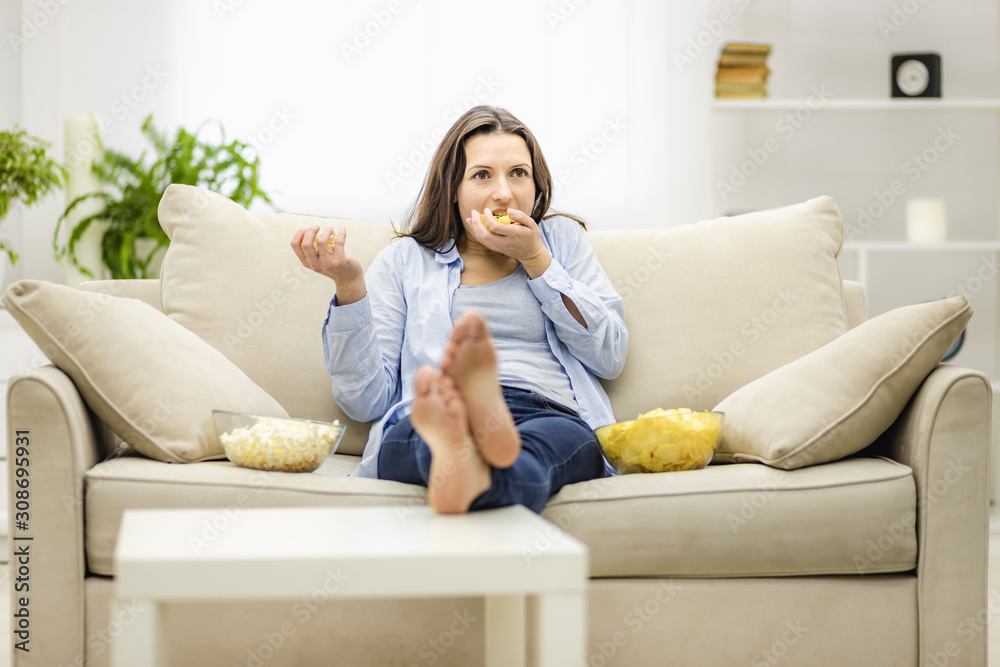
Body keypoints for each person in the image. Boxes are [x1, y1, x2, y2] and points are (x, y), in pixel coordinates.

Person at [291, 105, 628, 514]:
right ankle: (466, 443)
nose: (503, 192)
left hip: (545, 410)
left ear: (537, 186)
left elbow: (609, 355)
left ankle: (466, 461)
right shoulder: (405, 260)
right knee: (421, 438)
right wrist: (348, 287)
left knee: (547, 447)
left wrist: (537, 260)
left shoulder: (560, 241)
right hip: (438, 411)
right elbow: (364, 402)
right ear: (453, 187)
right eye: (482, 175)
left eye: (518, 173)